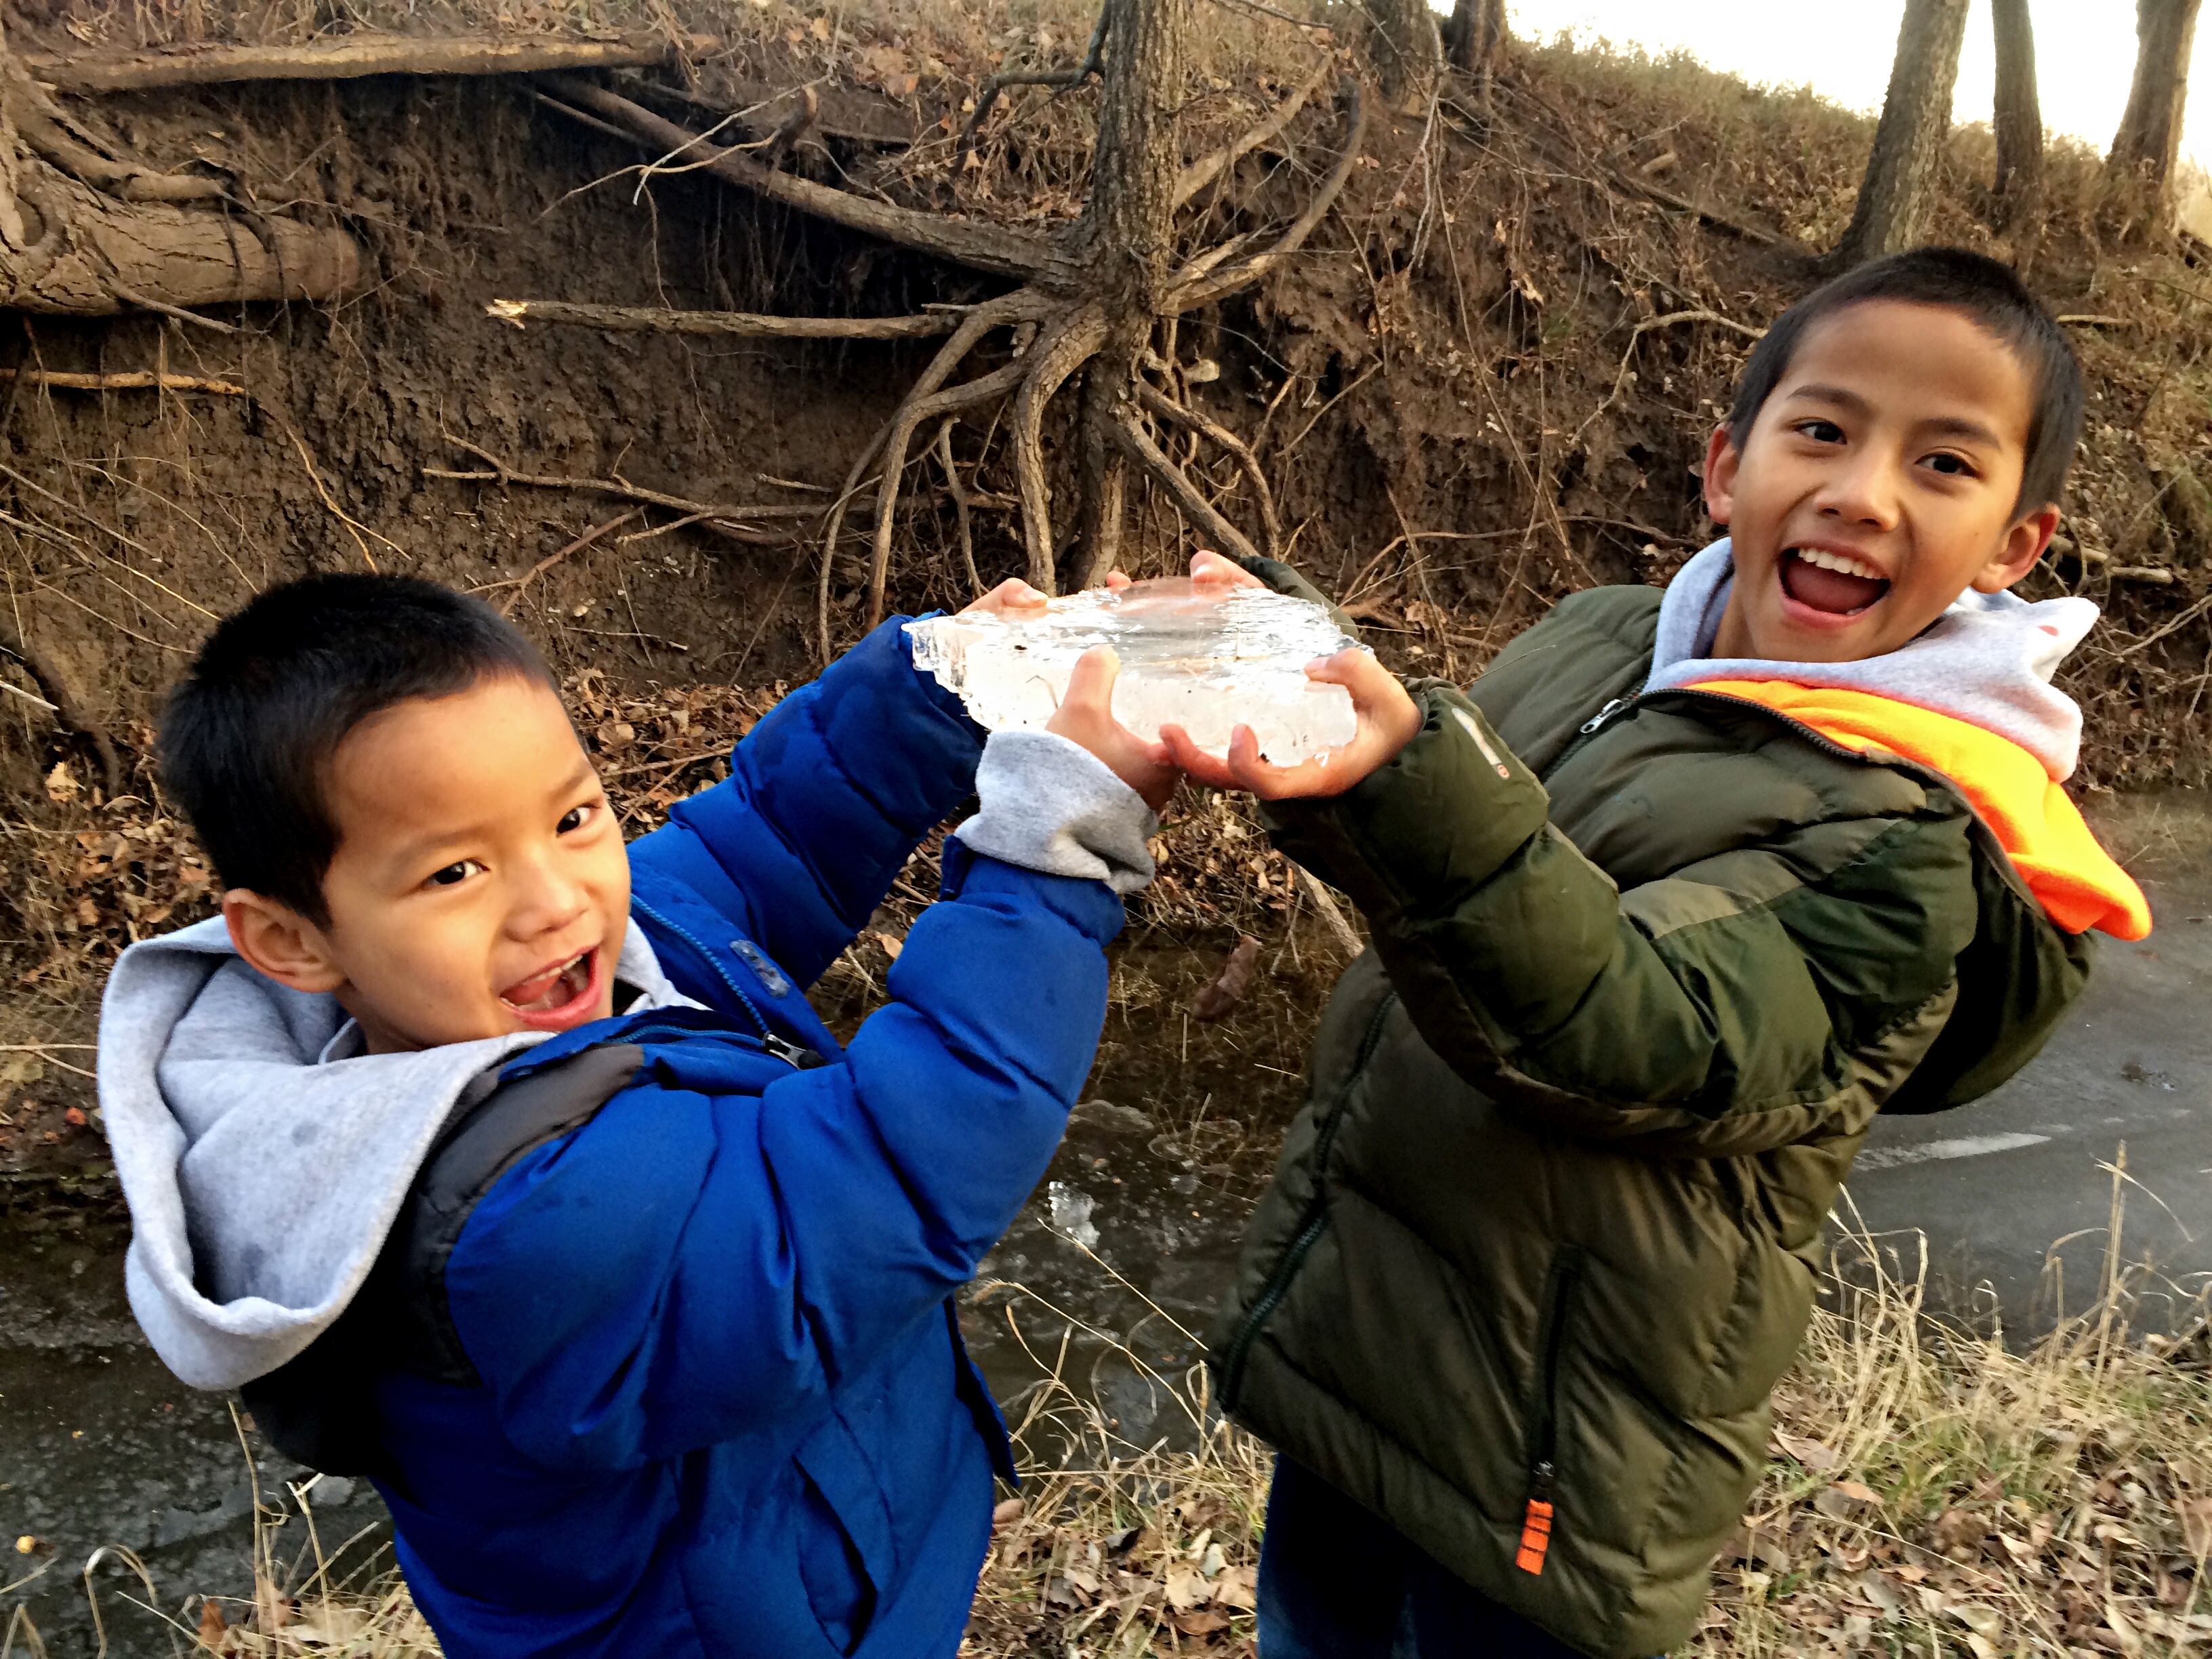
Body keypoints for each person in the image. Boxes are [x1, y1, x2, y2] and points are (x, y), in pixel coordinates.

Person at [1162, 247, 2154, 1659]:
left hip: (1548, 1474)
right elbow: (1448, 883)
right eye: (1822, 429)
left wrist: (1403, 784)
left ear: (2013, 547)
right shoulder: (1605, 640)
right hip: (1360, 1351)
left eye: (1943, 464)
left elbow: (1629, 1023)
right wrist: (1291, 695)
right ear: (1724, 466)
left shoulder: (1905, 839)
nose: (1861, 492)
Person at [98, 571, 1178, 1658]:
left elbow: (754, 849)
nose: (556, 899)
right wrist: (1054, 847)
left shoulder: (520, 978)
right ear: (294, 941)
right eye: (456, 871)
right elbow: (900, 1171)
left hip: (826, 1568)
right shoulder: (524, 1227)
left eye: (573, 815)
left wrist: (941, 685)